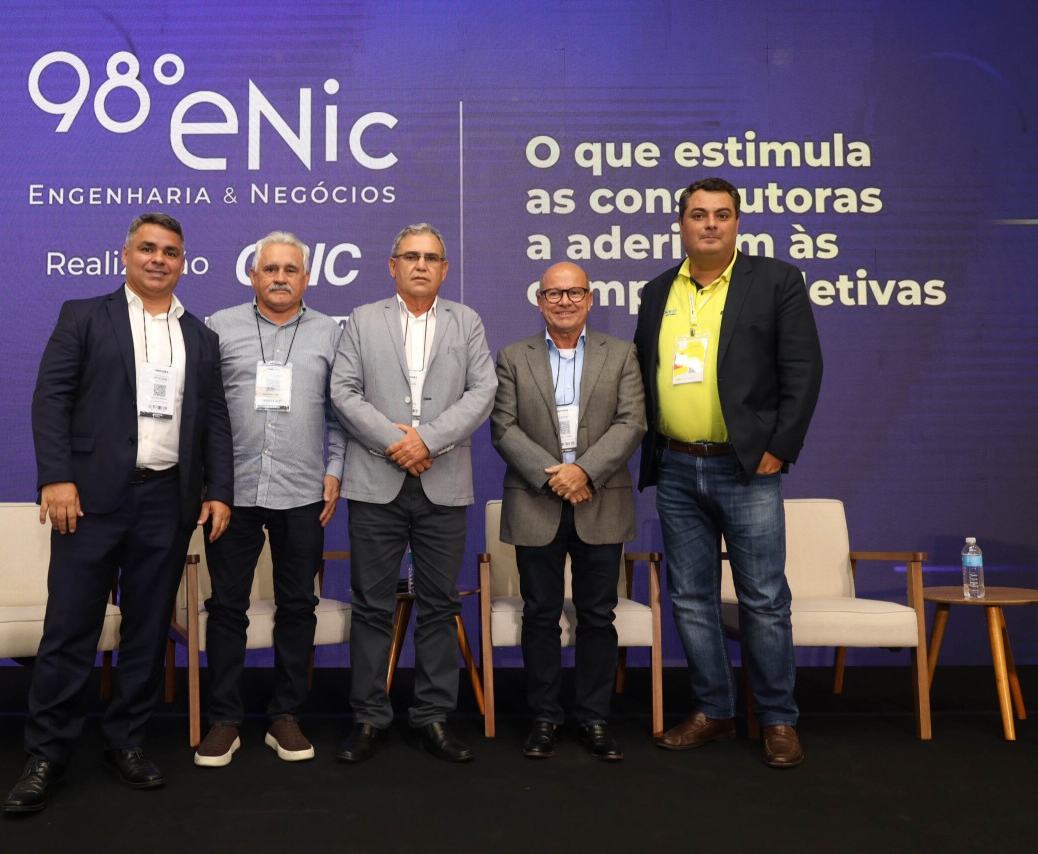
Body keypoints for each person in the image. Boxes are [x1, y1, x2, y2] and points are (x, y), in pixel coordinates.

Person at [5, 213, 234, 813]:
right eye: (148, 248)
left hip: (167, 501)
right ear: (125, 255)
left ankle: (125, 742)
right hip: (88, 500)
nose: (159, 259)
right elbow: (51, 398)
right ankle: (47, 754)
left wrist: (218, 490)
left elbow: (213, 419)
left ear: (183, 263)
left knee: (147, 630)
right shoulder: (84, 316)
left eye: (171, 252)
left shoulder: (200, 337)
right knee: (70, 628)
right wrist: (56, 478)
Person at [633, 177, 823, 768]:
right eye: (698, 215)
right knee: (691, 597)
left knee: (763, 598)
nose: (710, 224)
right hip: (675, 466)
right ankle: (714, 711)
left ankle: (778, 719)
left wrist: (779, 448)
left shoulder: (776, 281)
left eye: (721, 214)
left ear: (737, 222)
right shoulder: (658, 290)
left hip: (747, 468)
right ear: (681, 224)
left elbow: (804, 369)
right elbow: (645, 372)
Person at [330, 223, 496, 763]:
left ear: (445, 269)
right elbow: (343, 392)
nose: (421, 265)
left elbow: (483, 392)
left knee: (439, 605)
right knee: (371, 605)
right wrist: (395, 443)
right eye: (410, 256)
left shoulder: (466, 321)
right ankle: (368, 717)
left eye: (431, 258)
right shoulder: (363, 319)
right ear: (393, 266)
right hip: (375, 483)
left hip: (443, 484)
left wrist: (426, 440)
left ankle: (432, 716)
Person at [193, 231, 345, 767]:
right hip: (231, 492)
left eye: (291, 269)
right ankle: (225, 721)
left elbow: (341, 412)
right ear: (253, 275)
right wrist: (208, 482)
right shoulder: (218, 326)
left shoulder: (330, 333)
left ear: (307, 277)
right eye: (271, 269)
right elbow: (201, 411)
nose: (280, 278)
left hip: (303, 490)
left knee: (298, 606)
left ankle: (286, 716)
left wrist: (335, 469)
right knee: (226, 607)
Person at [491, 261, 646, 760]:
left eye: (574, 292)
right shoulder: (513, 357)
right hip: (536, 500)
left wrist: (584, 472)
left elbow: (631, 422)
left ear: (590, 299)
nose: (564, 301)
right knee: (540, 615)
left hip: (601, 498)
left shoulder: (620, 354)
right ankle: (545, 718)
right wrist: (556, 476)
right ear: (539, 301)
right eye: (553, 294)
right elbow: (504, 428)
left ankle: (594, 719)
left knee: (598, 616)